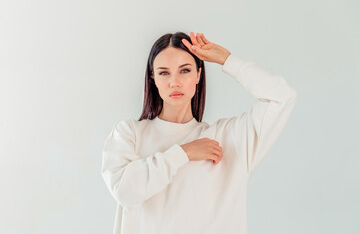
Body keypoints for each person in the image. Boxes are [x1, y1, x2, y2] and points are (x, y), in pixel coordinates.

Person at [101, 31, 297, 234]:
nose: (174, 82)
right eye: (164, 72)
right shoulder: (129, 133)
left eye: (184, 71)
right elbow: (125, 191)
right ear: (153, 79)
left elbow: (281, 97)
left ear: (198, 75)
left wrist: (226, 59)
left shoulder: (228, 138)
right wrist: (183, 152)